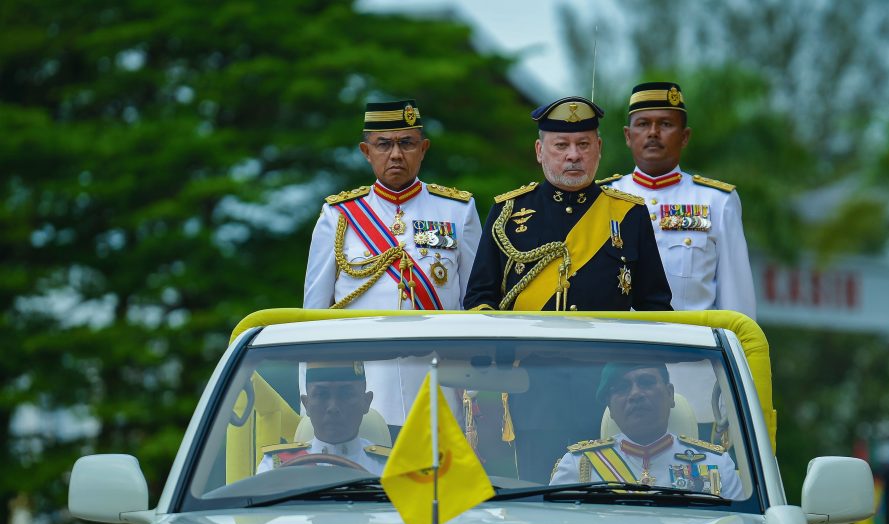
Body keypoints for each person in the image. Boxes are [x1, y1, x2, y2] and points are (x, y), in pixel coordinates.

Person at [303, 99, 480, 428]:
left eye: (406, 143)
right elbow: (313, 318)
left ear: (423, 148)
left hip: (439, 386)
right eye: (383, 144)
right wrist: (311, 404)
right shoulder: (339, 215)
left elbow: (476, 302)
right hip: (362, 393)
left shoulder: (458, 210)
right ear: (366, 151)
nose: (395, 154)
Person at [463, 95, 672, 312]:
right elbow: (480, 300)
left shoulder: (630, 213)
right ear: (539, 151)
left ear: (598, 148)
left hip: (604, 345)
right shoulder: (507, 212)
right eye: (561, 145)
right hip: (526, 345)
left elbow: (654, 306)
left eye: (583, 144)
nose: (574, 155)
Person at [602, 82, 756, 317]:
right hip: (619, 349)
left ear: (684, 137)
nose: (653, 132)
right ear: (628, 135)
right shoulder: (602, 198)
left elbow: (737, 303)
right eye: (643, 124)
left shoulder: (716, 201)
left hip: (690, 349)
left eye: (665, 124)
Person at [549, 363, 742, 499]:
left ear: (670, 394)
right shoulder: (579, 465)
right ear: (610, 407)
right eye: (622, 387)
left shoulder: (717, 465)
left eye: (646, 382)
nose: (635, 394)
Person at [257, 361, 390, 474]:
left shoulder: (390, 467)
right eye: (322, 395)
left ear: (366, 402)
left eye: (346, 394)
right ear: (306, 404)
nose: (333, 407)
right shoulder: (276, 466)